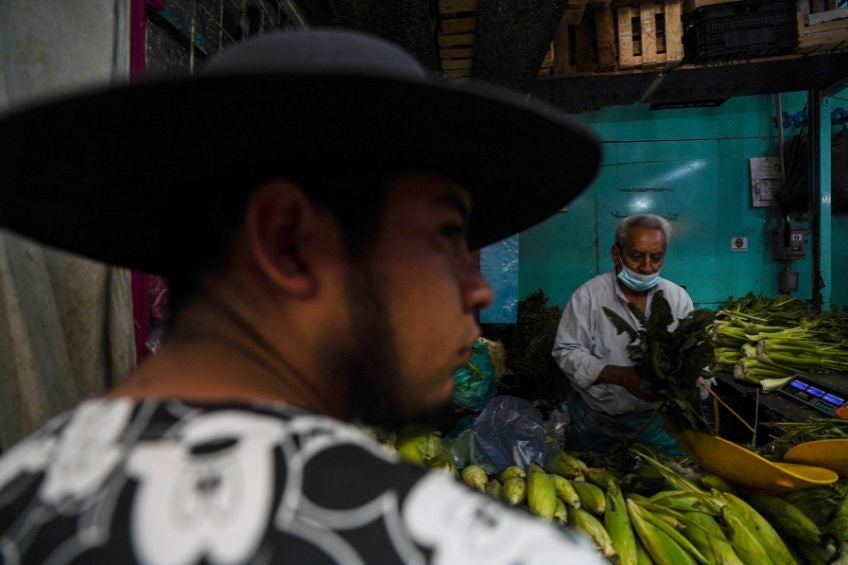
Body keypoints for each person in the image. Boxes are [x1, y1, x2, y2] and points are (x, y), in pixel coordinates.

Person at [0, 30, 607, 563]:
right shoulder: (477, 549)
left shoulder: (19, 501)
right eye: (447, 234)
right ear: (289, 243)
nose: (477, 288)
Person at [552, 214, 693, 455]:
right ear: (616, 254)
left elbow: (691, 353)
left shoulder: (676, 297)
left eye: (656, 258)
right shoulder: (589, 296)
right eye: (636, 256)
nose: (647, 267)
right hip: (597, 421)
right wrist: (621, 376)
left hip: (658, 421)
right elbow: (567, 352)